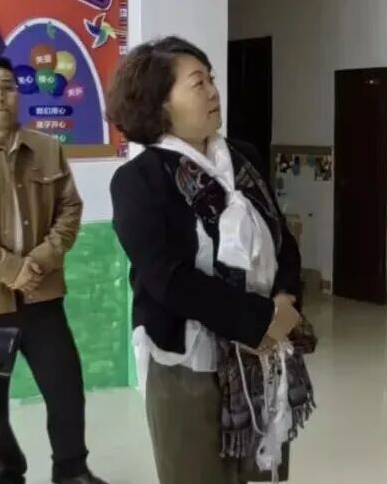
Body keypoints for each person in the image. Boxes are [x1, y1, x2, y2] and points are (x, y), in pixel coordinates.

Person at [107, 36, 314, 484]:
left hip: (265, 354)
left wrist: (285, 300)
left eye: (211, 79)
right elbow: (168, 279)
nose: (213, 91)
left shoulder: (243, 160)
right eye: (197, 83)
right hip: (190, 364)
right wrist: (257, 321)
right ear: (160, 103)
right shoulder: (139, 179)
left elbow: (281, 240)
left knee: (262, 472)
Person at [0, 58, 106, 484]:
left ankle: (72, 470)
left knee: (65, 387)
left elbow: (70, 209)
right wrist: (10, 269)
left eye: (8, 87)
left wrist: (41, 261)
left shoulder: (48, 149)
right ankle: (6, 473)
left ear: (18, 95)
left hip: (42, 297)